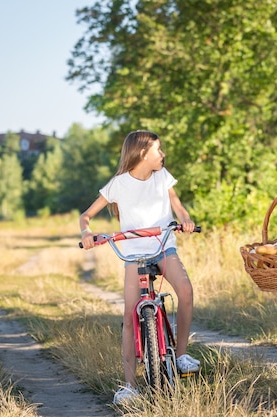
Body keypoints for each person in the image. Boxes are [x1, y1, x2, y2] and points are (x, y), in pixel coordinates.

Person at [79, 130, 200, 404]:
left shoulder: (162, 177)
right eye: (158, 150)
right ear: (143, 153)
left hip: (162, 246)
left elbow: (177, 205)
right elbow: (86, 215)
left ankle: (181, 356)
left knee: (186, 291)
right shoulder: (119, 184)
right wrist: (87, 233)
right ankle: (129, 386)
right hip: (133, 253)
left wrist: (186, 220)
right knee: (130, 314)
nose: (162, 154)